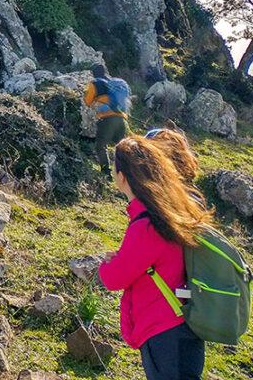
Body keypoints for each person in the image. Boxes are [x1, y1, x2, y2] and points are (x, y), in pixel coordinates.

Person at [98, 136, 213, 380]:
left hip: (163, 330)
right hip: (183, 325)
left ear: (123, 176)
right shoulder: (167, 214)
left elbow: (115, 278)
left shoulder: (146, 225)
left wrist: (107, 265)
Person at [83, 61, 130, 173]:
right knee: (122, 148)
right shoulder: (113, 83)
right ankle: (127, 173)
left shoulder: (94, 83)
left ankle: (106, 172)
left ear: (94, 73)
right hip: (122, 119)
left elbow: (88, 101)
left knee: (101, 146)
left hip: (107, 119)